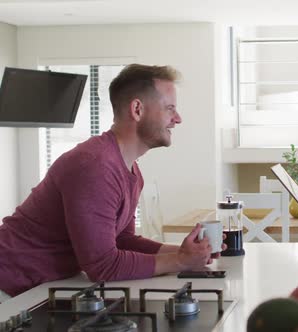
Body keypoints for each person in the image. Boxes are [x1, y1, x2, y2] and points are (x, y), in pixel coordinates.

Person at [0, 64, 223, 299]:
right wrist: (179, 261)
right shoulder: (95, 166)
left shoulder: (130, 170)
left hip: (34, 285)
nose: (177, 119)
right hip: (8, 283)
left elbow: (122, 240)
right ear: (137, 109)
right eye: (170, 108)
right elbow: (103, 266)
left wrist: (188, 253)